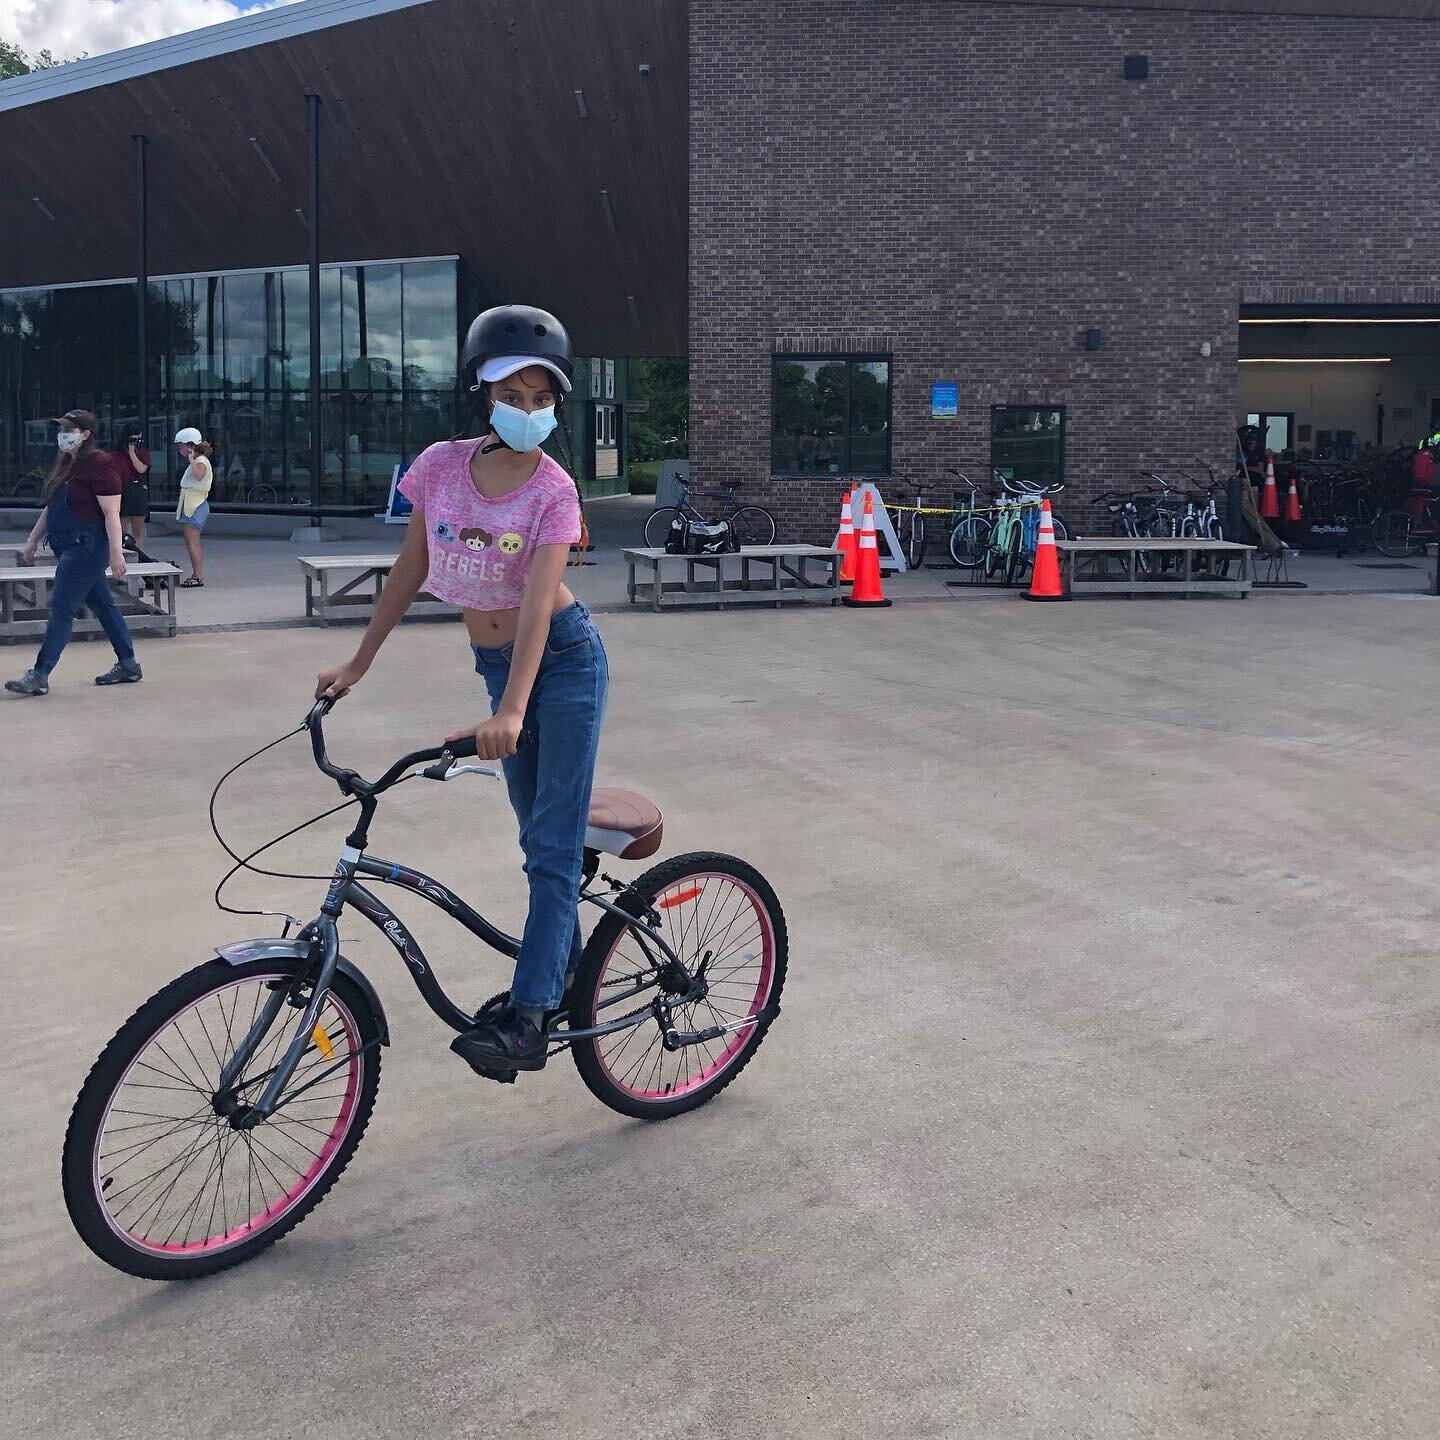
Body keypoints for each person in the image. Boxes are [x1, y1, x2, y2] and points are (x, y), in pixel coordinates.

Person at [315, 304, 604, 1077]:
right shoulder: (441, 466)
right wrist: (359, 662)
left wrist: (514, 707)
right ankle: (566, 974)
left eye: (544, 400)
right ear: (484, 391)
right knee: (538, 840)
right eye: (516, 395)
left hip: (564, 666)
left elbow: (540, 602)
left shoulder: (554, 489)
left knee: (549, 848)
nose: (530, 412)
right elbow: (410, 567)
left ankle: (533, 1015)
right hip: (493, 667)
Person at [5, 409, 141, 697]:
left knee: (61, 608)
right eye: (61, 429)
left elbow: (112, 513)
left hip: (86, 548)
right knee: (104, 605)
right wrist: (31, 541)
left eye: (69, 430)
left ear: (85, 434)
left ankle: (39, 675)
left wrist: (116, 553)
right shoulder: (68, 463)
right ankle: (128, 664)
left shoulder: (101, 464)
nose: (62, 435)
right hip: (67, 545)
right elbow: (51, 507)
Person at [174, 426, 212, 586]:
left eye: (182, 446)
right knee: (192, 542)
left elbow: (199, 476)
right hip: (191, 503)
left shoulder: (201, 461)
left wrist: (191, 459)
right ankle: (197, 574)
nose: (180, 449)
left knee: (192, 542)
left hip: (195, 504)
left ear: (191, 445)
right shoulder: (198, 461)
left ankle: (198, 575)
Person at [113, 429, 152, 550]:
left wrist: (132, 453)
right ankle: (123, 553)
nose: (137, 442)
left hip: (138, 491)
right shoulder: (116, 455)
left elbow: (141, 469)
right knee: (122, 529)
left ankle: (139, 553)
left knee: (138, 530)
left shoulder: (143, 453)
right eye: (134, 439)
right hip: (122, 491)